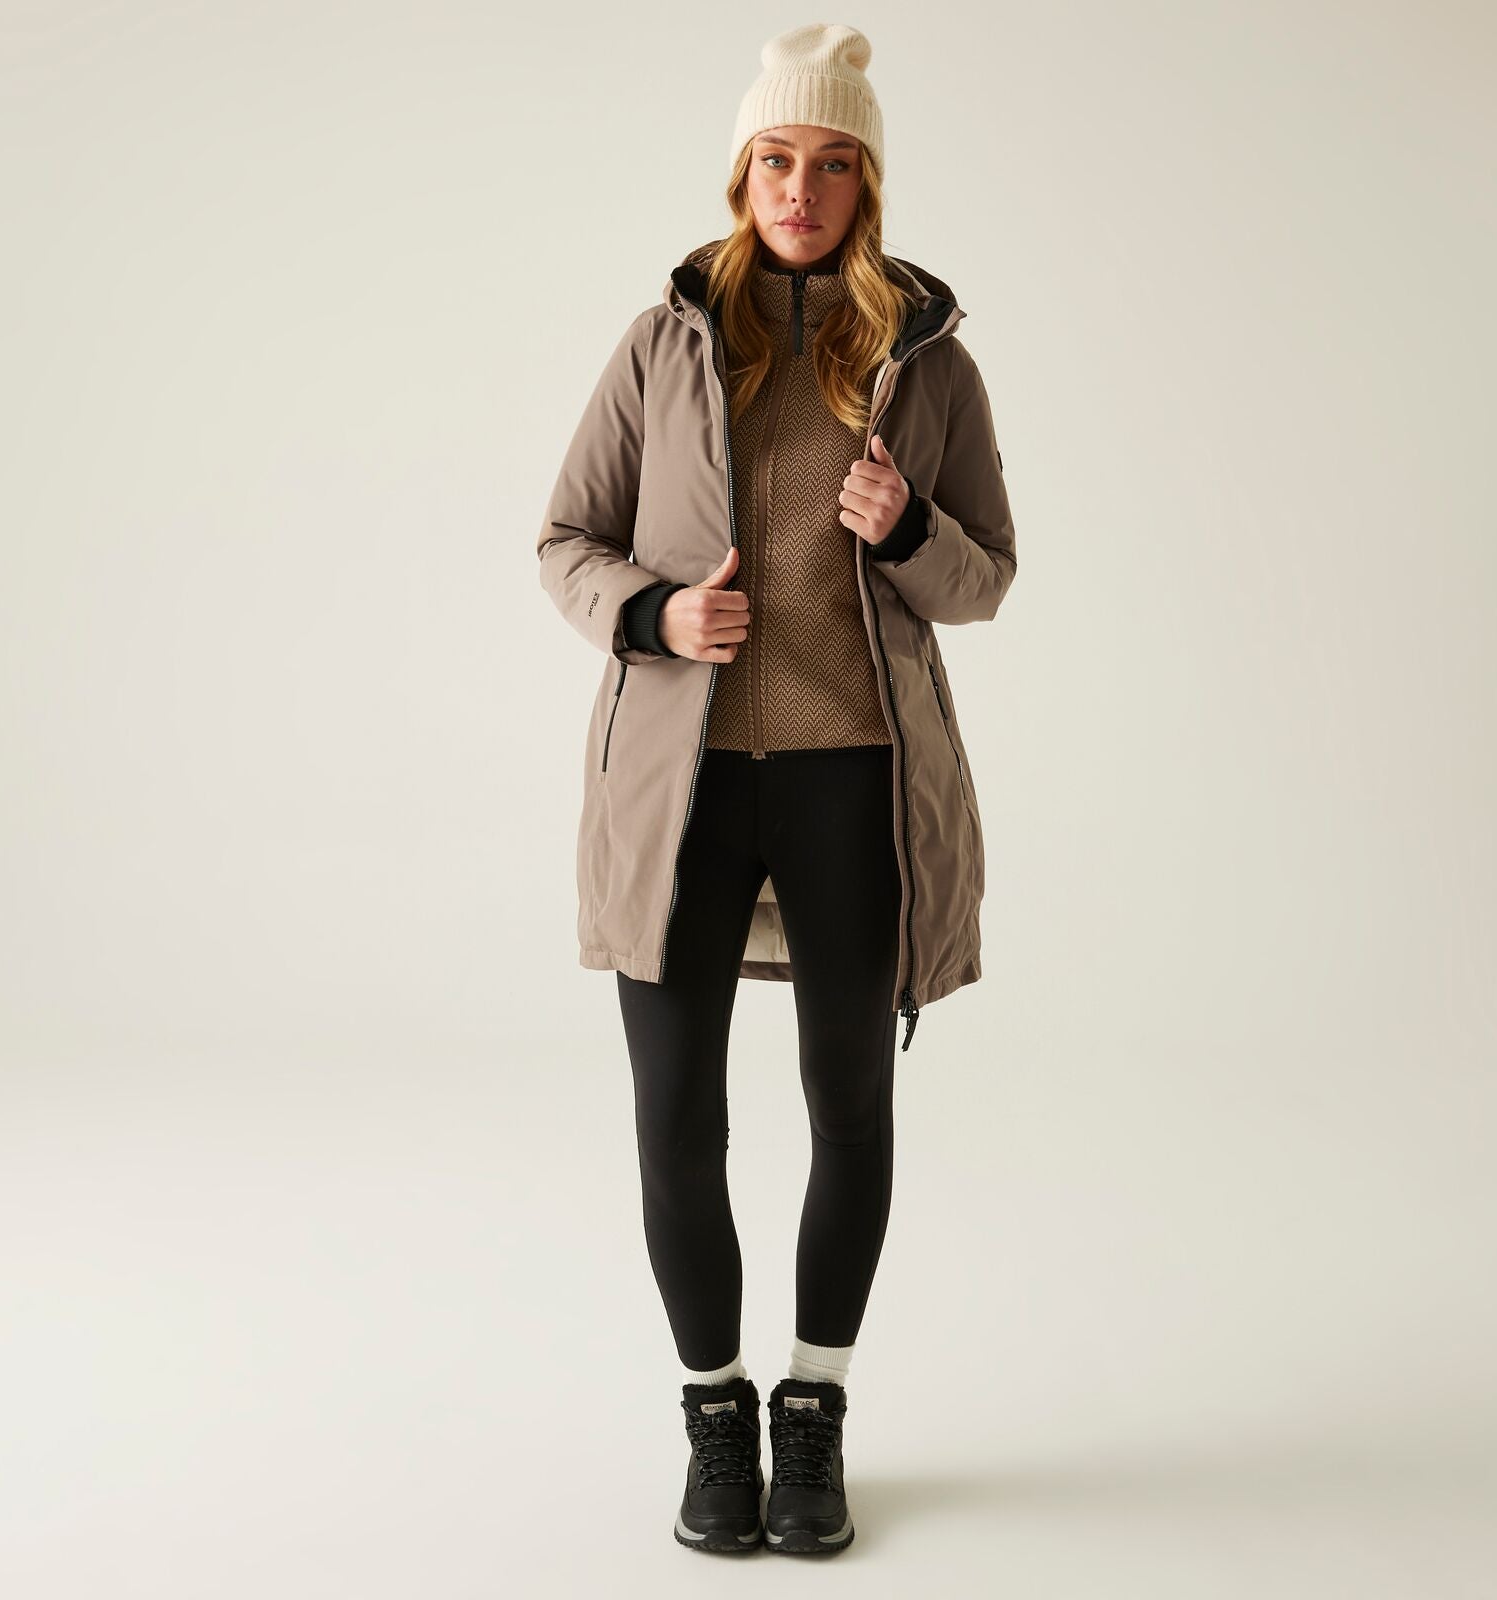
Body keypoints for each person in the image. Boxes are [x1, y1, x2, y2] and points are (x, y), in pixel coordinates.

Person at [535, 22, 1018, 1556]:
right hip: (678, 791)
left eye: (831, 164)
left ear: (866, 185)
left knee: (849, 1107)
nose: (799, 189)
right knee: (676, 1116)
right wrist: (655, 614)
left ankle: (813, 1410)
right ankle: (713, 1414)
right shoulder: (660, 347)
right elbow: (564, 541)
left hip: (852, 785)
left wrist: (906, 529)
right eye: (775, 160)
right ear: (741, 175)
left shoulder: (927, 365)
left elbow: (987, 576)